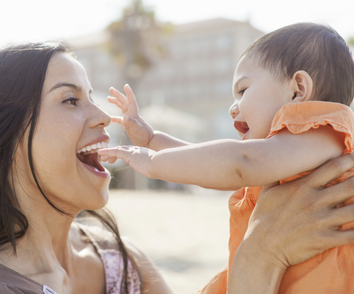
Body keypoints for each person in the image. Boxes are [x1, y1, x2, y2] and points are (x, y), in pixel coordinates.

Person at [0, 41, 354, 294]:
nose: (103, 116)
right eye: (70, 100)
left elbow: (233, 161)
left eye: (91, 96)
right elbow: (225, 161)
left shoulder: (116, 262)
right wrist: (260, 257)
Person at [98, 23, 354, 293]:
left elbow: (237, 163)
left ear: (298, 89)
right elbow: (213, 163)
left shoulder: (325, 131)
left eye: (243, 91)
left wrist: (152, 163)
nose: (233, 108)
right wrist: (152, 140)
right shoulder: (277, 157)